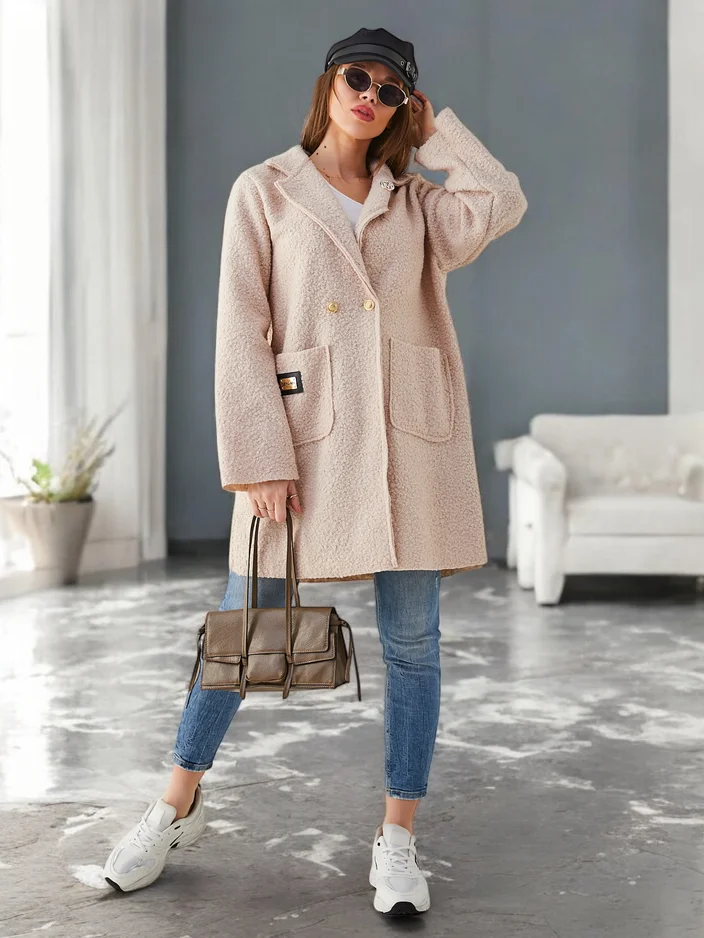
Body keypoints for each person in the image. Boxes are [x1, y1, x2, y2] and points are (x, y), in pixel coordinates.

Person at [103, 26, 527, 916]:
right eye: (357, 77)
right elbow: (239, 330)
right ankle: (174, 806)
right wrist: (258, 457)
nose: (369, 95)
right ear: (328, 84)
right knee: (242, 627)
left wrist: (438, 133)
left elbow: (500, 200)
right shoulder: (263, 190)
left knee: (413, 645)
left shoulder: (416, 204)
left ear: (403, 107)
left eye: (390, 89)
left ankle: (398, 836)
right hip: (305, 443)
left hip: (410, 447)